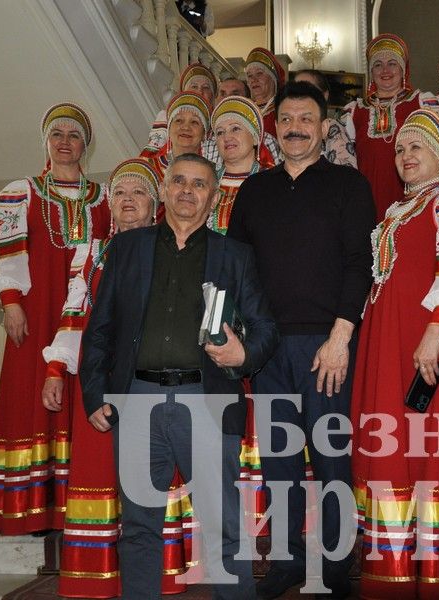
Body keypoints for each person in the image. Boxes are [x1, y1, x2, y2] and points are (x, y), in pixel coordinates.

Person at [79, 153, 279, 600]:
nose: (188, 191)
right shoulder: (127, 249)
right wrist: (94, 395)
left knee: (225, 527)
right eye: (180, 182)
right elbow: (100, 331)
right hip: (136, 404)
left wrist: (241, 353)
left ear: (213, 198)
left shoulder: (235, 256)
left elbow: (266, 330)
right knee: (138, 528)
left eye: (200, 184)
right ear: (165, 190)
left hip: (205, 400)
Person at [228, 81, 376, 600]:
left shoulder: (348, 185)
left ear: (323, 127)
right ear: (275, 126)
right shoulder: (254, 190)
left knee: (332, 457)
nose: (295, 128)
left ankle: (337, 565)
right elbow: (237, 269)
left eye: (306, 119)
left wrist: (341, 334)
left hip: (326, 344)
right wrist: (242, 339)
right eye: (287, 119)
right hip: (267, 349)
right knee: (279, 460)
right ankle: (289, 560)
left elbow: (361, 263)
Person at [42, 158, 196, 597]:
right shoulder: (90, 252)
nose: (128, 201)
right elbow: (74, 317)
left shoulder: (171, 249)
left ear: (157, 204)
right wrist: (57, 370)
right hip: (98, 380)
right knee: (99, 472)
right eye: (120, 194)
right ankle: (95, 577)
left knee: (150, 481)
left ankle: (160, 574)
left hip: (150, 383)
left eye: (139, 193)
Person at [351, 108, 439, 599]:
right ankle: (391, 575)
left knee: (420, 442)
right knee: (388, 440)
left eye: (417, 147)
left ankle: (430, 579)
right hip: (385, 338)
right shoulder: (392, 212)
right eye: (401, 148)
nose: (406, 156)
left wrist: (435, 328)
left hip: (422, 340)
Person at [0, 103, 110, 535]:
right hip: (35, 310)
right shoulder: (22, 191)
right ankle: (32, 509)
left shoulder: (104, 197)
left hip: (83, 310)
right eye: (58, 135)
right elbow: (10, 250)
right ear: (47, 143)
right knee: (32, 397)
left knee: (78, 394)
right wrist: (11, 301)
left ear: (85, 147)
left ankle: (76, 502)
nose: (65, 142)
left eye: (74, 136)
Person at [340, 33, 439, 221]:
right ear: (371, 72)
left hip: (412, 198)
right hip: (366, 201)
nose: (385, 70)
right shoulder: (355, 111)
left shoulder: (422, 102)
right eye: (378, 64)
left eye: (392, 63)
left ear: (403, 69)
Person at [209, 95, 275, 236]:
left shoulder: (273, 183)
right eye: (220, 132)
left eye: (235, 129)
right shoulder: (207, 181)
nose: (227, 137)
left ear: (255, 138)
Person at [142, 90, 210, 212]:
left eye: (194, 122)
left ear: (204, 133)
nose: (185, 127)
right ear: (169, 128)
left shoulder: (212, 172)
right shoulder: (148, 168)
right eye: (179, 120)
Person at [144, 63, 221, 167]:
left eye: (206, 88)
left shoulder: (220, 121)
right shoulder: (167, 115)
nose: (200, 91)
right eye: (194, 86)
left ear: (213, 95)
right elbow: (151, 151)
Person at [295, 69, 357, 167]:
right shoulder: (288, 127)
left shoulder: (333, 129)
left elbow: (346, 178)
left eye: (309, 91)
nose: (301, 97)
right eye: (296, 91)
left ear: (325, 95)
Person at [245, 47, 286, 138]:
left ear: (273, 78)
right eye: (249, 76)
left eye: (259, 73)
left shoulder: (283, 110)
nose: (253, 80)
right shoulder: (243, 111)